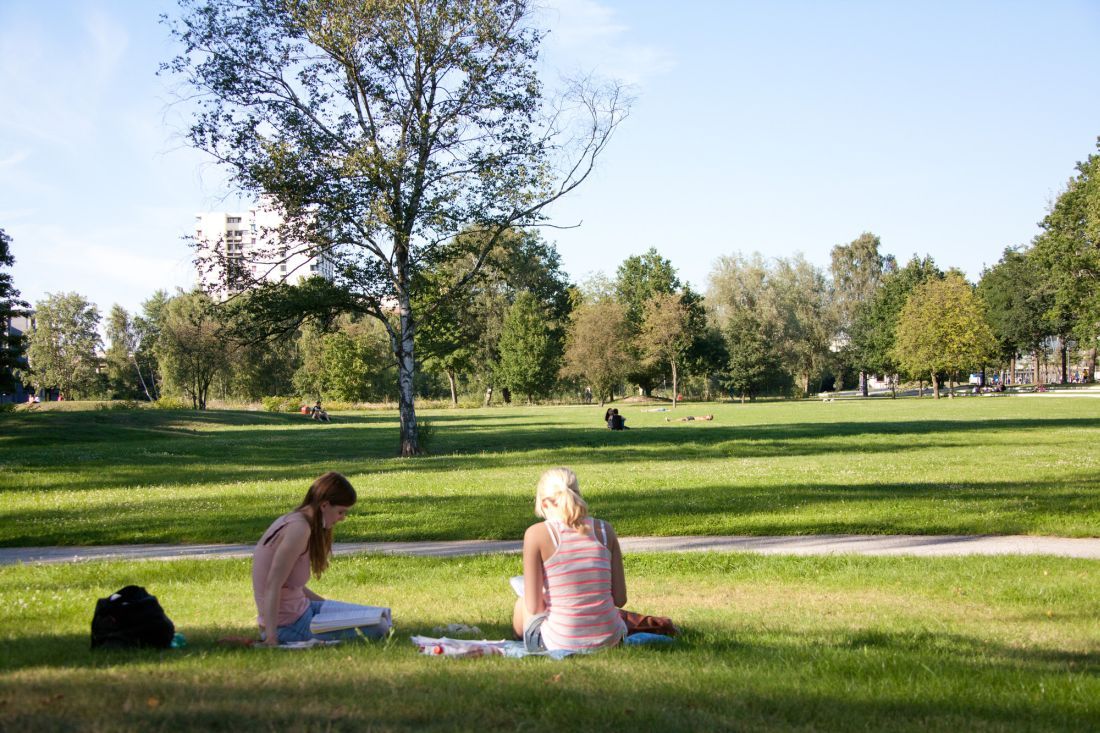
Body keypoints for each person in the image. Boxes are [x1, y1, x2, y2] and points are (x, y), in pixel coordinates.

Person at [252, 471, 390, 646]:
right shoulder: (299, 529)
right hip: (288, 624)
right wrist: (271, 637)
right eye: (340, 512)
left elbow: (293, 586)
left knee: (380, 615)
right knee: (379, 627)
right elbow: (272, 584)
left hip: (304, 609)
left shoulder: (296, 520)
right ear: (324, 505)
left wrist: (330, 610)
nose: (342, 518)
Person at [512, 467, 627, 653]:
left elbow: (534, 607)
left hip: (560, 643)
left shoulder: (536, 534)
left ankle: (519, 638)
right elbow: (620, 599)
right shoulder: (605, 530)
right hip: (613, 639)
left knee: (522, 600)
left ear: (544, 503)